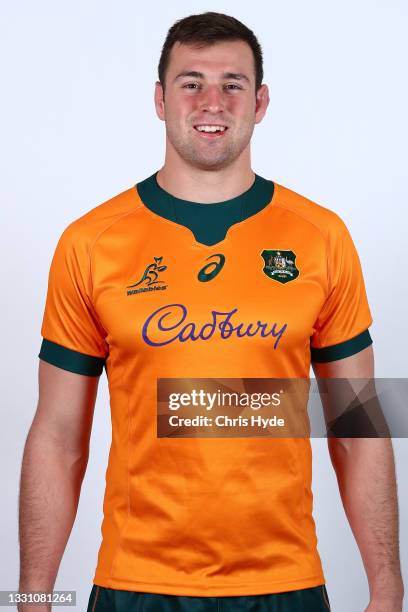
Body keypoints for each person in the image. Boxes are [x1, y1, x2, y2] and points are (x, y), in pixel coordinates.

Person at [18, 11, 404, 612]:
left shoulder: (322, 237)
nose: (212, 101)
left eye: (233, 83)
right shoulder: (90, 242)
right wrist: (31, 596)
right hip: (136, 585)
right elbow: (58, 434)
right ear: (159, 98)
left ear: (262, 101)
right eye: (191, 82)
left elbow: (359, 426)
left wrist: (388, 587)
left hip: (285, 585)